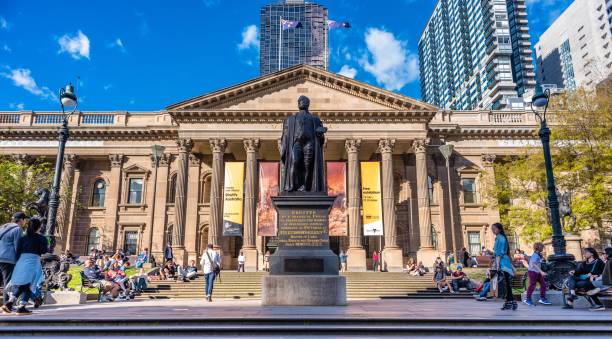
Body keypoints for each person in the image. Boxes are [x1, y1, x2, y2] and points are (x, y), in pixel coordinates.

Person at [1, 217, 47, 315]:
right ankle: (16, 305)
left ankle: (15, 305)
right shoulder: (42, 238)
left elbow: (17, 250)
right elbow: (44, 250)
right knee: (29, 284)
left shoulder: (23, 238)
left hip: (21, 261)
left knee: (25, 284)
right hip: (33, 261)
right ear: (39, 227)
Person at [0, 212, 28, 310]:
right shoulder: (17, 229)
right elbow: (18, 246)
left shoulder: (3, 227)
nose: (25, 222)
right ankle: (6, 305)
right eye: (25, 220)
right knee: (8, 282)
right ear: (21, 220)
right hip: (8, 259)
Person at [492, 222, 517, 310]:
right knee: (506, 283)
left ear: (499, 229)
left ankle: (510, 301)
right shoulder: (501, 238)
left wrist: (497, 265)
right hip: (504, 262)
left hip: (503, 263)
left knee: (506, 283)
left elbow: (500, 253)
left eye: (494, 229)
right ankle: (510, 301)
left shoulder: (500, 238)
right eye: (492, 229)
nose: (493, 231)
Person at [522, 242, 551, 306]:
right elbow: (534, 264)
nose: (543, 248)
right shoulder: (535, 255)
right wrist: (541, 272)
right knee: (532, 285)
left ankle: (542, 298)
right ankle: (527, 299)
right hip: (533, 272)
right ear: (539, 247)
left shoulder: (537, 254)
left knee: (543, 284)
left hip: (536, 272)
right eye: (542, 247)